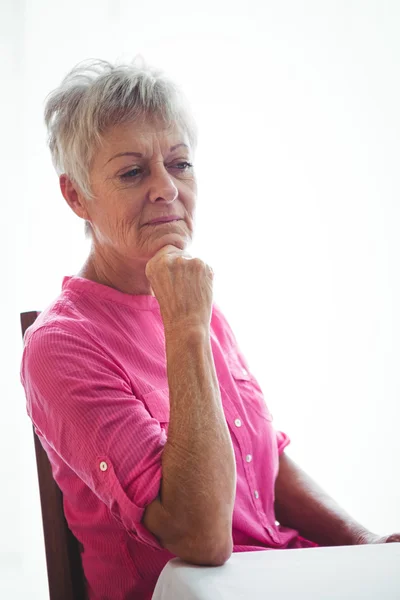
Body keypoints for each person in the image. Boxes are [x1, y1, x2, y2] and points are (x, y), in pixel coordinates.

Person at [20, 58, 399, 600]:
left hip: (282, 574)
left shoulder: (194, 304)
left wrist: (365, 540)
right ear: (77, 196)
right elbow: (200, 536)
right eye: (133, 172)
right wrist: (186, 326)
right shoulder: (62, 346)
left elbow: (261, 462)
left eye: (179, 164)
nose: (166, 189)